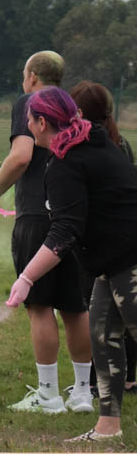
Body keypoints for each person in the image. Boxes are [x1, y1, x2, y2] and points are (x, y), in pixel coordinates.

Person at [7, 86, 137, 441]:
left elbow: (65, 231)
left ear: (41, 122)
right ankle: (107, 429)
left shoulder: (68, 161)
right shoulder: (90, 145)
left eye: (29, 120)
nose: (27, 125)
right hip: (109, 264)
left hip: (130, 262)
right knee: (103, 339)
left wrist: (27, 278)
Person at [0, 51, 92, 414]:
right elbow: (28, 158)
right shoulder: (66, 104)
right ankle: (82, 393)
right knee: (74, 306)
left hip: (36, 217)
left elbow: (21, 157)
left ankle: (49, 395)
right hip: (70, 215)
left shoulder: (28, 102)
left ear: (33, 75)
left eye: (24, 73)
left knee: (39, 306)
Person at [70, 80, 137, 396]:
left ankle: (104, 381)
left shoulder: (93, 148)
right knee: (118, 317)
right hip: (117, 242)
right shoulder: (119, 143)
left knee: (106, 315)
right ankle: (120, 380)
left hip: (102, 243)